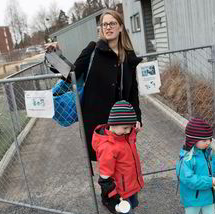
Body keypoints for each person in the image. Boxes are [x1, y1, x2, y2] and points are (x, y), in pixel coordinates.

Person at [46, 9, 143, 162]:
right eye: (104, 24)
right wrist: (55, 56)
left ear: (121, 27)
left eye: (112, 23)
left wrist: (137, 117)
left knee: (124, 164)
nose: (108, 27)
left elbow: (133, 92)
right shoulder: (93, 50)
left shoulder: (128, 56)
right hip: (96, 121)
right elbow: (73, 74)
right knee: (106, 168)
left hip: (122, 122)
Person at [91, 100, 147, 214]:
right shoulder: (108, 148)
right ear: (113, 124)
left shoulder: (125, 135)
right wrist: (113, 196)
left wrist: (134, 130)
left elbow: (130, 136)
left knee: (134, 204)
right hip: (120, 191)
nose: (128, 131)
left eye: (130, 127)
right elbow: (105, 179)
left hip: (132, 184)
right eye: (125, 128)